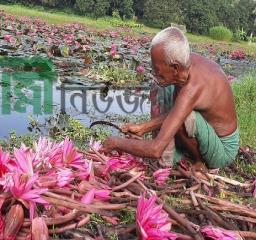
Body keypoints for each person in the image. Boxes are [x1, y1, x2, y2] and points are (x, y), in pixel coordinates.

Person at [101, 27, 239, 170]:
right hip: (205, 129)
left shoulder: (192, 89)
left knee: (187, 117)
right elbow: (177, 111)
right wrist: (144, 127)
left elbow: (155, 149)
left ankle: (199, 162)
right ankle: (171, 152)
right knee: (160, 87)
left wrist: (116, 142)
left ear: (175, 67)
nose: (155, 73)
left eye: (158, 71)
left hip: (223, 149)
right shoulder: (184, 63)